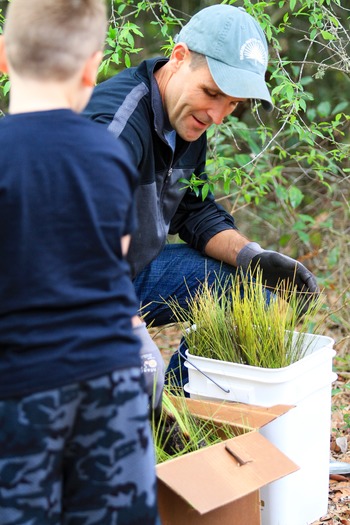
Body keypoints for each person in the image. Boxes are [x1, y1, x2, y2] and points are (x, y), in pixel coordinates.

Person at [83, 4, 319, 388]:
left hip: (132, 273)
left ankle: (177, 408)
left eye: (232, 104)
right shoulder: (117, 128)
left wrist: (251, 258)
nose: (218, 115)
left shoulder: (185, 119)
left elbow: (193, 211)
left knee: (256, 296)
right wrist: (133, 339)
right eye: (212, 93)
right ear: (178, 58)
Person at [0, 0, 160, 523]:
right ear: (93, 66)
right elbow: (113, 262)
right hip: (112, 379)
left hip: (22, 385)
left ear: (4, 57)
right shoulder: (109, 153)